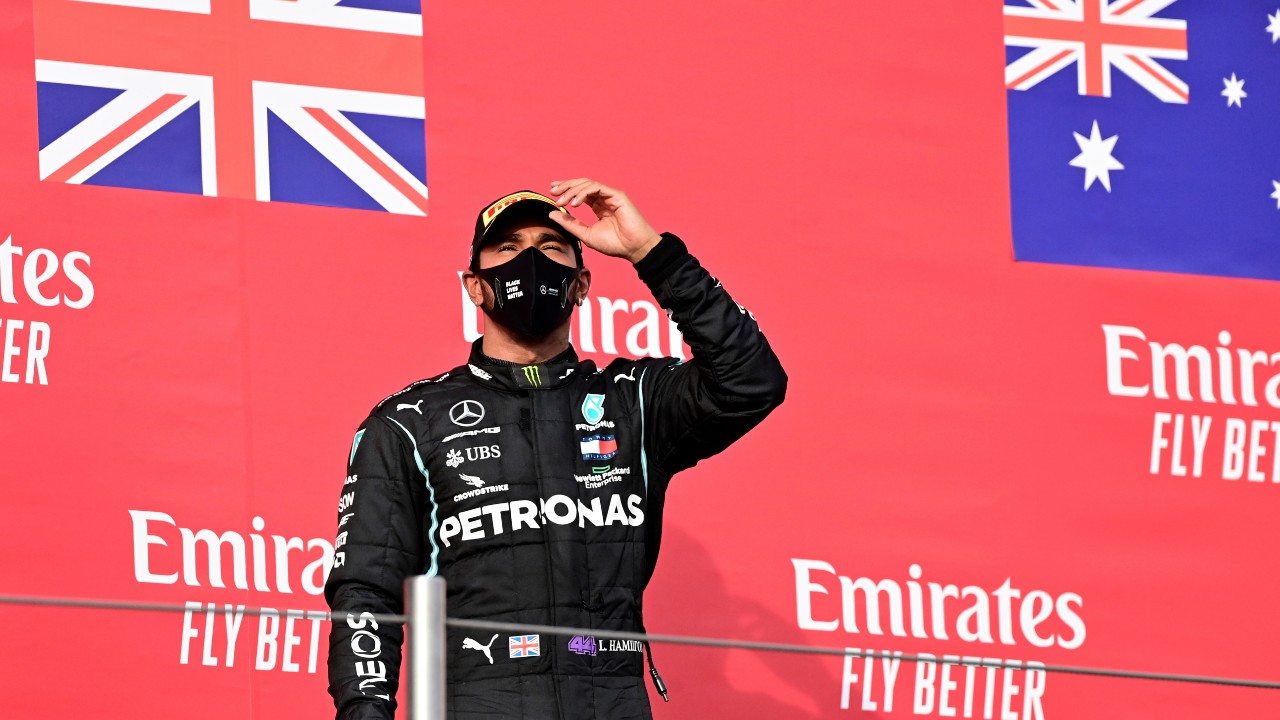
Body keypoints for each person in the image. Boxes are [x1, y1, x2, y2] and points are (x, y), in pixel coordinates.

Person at [326, 178, 787, 719]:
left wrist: (650, 254)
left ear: (580, 283)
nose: (530, 262)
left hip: (612, 700)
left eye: (550, 248)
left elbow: (751, 382)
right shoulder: (408, 422)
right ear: (475, 287)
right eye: (508, 248)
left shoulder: (632, 402)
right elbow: (365, 597)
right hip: (473, 702)